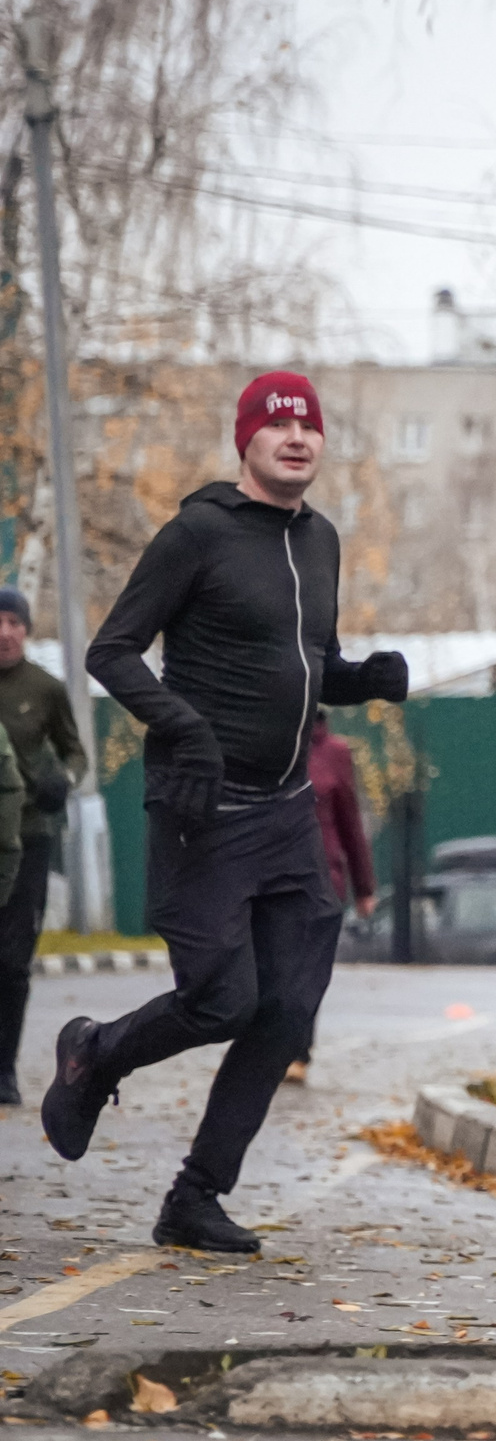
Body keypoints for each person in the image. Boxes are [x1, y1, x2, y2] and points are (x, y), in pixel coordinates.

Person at [45, 372, 408, 1253]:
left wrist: (360, 680)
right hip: (202, 807)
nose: (297, 438)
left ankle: (195, 1197)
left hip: (286, 815)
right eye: (278, 425)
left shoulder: (319, 540)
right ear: (245, 440)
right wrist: (186, 729)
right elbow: (112, 650)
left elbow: (311, 662)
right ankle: (95, 1049)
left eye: (309, 427)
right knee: (221, 998)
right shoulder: (197, 534)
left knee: (287, 1006)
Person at [0, 588, 82, 1105]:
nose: (5, 632)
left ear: (26, 630)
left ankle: (3, 1068)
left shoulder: (45, 689)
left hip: (28, 837)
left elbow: (76, 751)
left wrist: (65, 781)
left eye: (15, 622)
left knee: (11, 960)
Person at [284, 711, 376, 1084]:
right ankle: (267, 1045)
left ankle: (298, 1052)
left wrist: (364, 887)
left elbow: (349, 819)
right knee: (270, 970)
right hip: (269, 875)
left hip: (323, 879)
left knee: (305, 972)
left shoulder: (336, 752)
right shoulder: (262, 740)